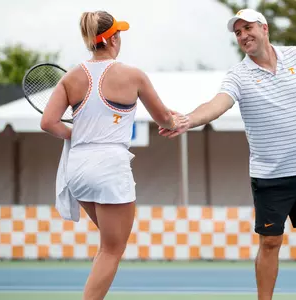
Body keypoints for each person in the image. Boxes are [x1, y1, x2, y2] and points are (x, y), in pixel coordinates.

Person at [159, 8, 296, 300]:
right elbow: (217, 104)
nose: (243, 35)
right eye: (238, 33)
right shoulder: (238, 75)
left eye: (247, 28)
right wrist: (187, 119)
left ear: (264, 29)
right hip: (269, 178)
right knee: (270, 242)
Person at [40, 10, 189, 300]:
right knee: (113, 249)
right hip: (109, 165)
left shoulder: (72, 77)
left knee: (107, 245)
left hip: (78, 166)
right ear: (113, 39)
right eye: (119, 34)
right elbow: (162, 118)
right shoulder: (132, 75)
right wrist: (175, 122)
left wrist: (78, 135)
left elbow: (48, 123)